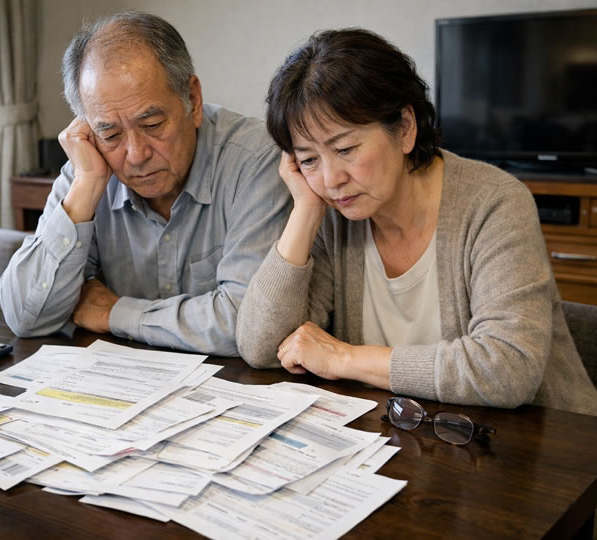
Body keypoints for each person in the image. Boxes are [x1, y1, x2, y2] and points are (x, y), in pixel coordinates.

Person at [236, 28, 597, 415]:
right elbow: (261, 348)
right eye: (308, 159)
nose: (330, 179)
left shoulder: (495, 203)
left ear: (406, 128)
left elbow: (506, 369)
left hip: (543, 447)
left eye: (345, 149)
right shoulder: (334, 212)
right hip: (413, 440)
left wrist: (345, 359)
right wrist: (305, 210)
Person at [0, 12, 290, 355]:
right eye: (110, 133)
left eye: (152, 124)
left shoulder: (257, 159)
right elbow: (25, 318)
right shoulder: (89, 165)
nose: (136, 154)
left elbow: (248, 325)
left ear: (192, 101)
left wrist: (112, 312)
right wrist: (87, 185)